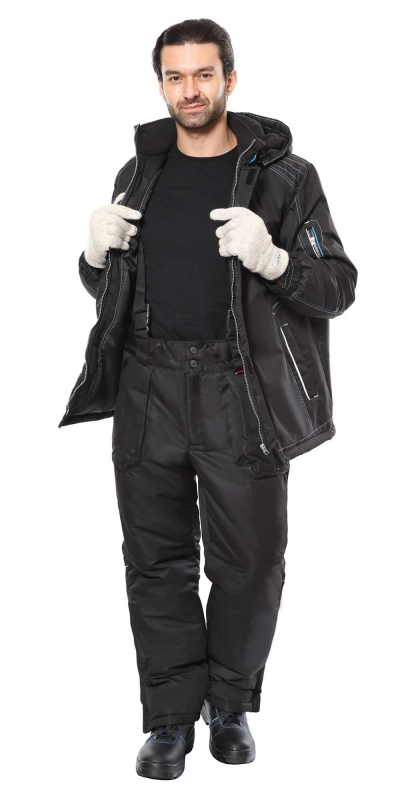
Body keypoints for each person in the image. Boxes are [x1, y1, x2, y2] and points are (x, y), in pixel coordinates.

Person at [59, 17, 357, 780]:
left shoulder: (286, 179)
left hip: (239, 389)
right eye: (175, 77)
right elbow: (115, 287)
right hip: (147, 387)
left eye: (203, 74)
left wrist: (274, 258)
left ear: (230, 77)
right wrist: (92, 255)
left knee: (251, 562)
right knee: (155, 562)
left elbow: (337, 285)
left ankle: (228, 705)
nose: (189, 91)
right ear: (161, 85)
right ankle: (168, 719)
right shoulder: (140, 171)